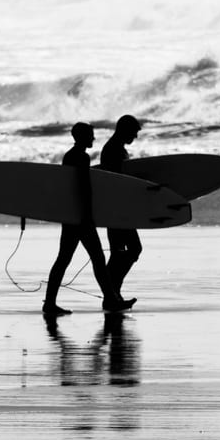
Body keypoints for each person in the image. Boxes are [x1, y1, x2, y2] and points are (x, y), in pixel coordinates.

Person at [44, 122, 131, 316]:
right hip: (80, 217)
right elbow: (83, 188)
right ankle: (111, 300)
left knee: (65, 259)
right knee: (96, 259)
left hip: (71, 216)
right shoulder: (81, 157)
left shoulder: (69, 155)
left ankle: (50, 303)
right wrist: (87, 216)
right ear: (82, 137)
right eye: (90, 135)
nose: (93, 138)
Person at [100, 114, 143, 305]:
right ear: (124, 130)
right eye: (133, 132)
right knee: (130, 250)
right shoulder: (113, 150)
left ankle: (112, 295)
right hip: (117, 210)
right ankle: (111, 295)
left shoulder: (116, 148)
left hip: (118, 209)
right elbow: (116, 181)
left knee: (121, 252)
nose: (135, 136)